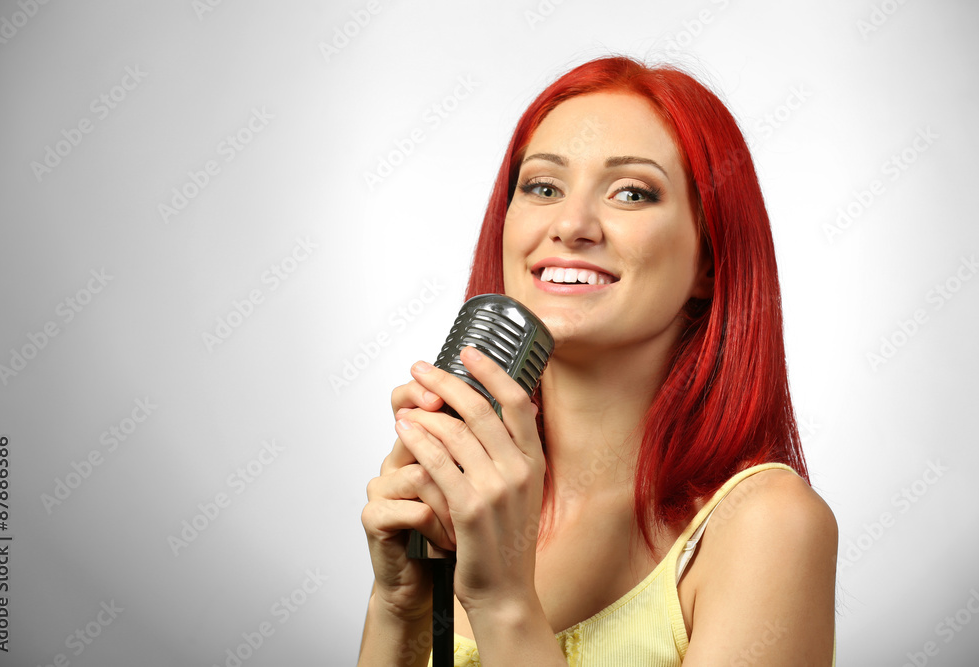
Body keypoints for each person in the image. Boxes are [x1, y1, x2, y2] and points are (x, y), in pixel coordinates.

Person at [357, 55, 838, 666]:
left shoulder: (770, 526)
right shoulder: (464, 505)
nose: (571, 224)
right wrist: (399, 609)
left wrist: (504, 603)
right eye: (543, 186)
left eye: (631, 193)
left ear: (708, 261)